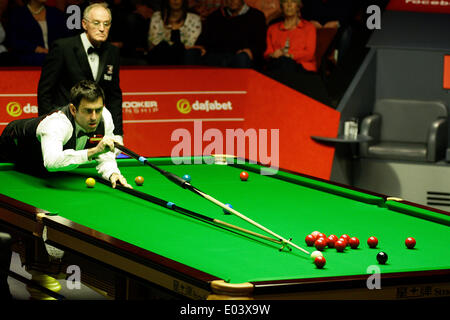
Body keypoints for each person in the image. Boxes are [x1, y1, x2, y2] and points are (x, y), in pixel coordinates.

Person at [0, 80, 131, 188]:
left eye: (98, 110)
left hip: (43, 167)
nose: (94, 117)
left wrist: (112, 173)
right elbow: (52, 162)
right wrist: (94, 151)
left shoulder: (105, 117)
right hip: (12, 147)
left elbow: (105, 154)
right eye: (88, 111)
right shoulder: (56, 124)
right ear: (73, 109)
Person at [37, 2, 124, 140]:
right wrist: (47, 125)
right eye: (96, 23)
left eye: (106, 24)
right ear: (84, 24)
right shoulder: (63, 48)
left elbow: (114, 96)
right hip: (63, 125)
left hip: (94, 126)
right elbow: (45, 91)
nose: (102, 28)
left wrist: (118, 134)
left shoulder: (112, 52)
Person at [263, 0, 329, 104]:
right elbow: (267, 53)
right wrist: (273, 54)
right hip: (277, 67)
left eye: (292, 2)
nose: (289, 5)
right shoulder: (273, 29)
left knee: (286, 62)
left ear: (298, 7)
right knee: (280, 64)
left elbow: (309, 54)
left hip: (302, 69)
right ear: (281, 6)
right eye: (285, 2)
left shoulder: (308, 28)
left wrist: (290, 55)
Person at [198, 0, 267, 69]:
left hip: (240, 57)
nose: (231, 1)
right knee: (195, 54)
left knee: (242, 58)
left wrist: (251, 51)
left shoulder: (256, 16)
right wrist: (200, 47)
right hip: (217, 57)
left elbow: (260, 44)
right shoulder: (215, 16)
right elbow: (204, 40)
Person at [6, 0, 68, 65]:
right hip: (30, 57)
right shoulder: (18, 14)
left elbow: (64, 38)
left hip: (54, 56)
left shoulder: (55, 13)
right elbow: (15, 41)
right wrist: (36, 48)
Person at [147, 0, 202, 65]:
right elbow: (154, 42)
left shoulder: (194, 18)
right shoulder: (157, 17)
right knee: (162, 47)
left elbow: (190, 44)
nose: (175, 0)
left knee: (189, 53)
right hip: (161, 55)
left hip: (184, 57)